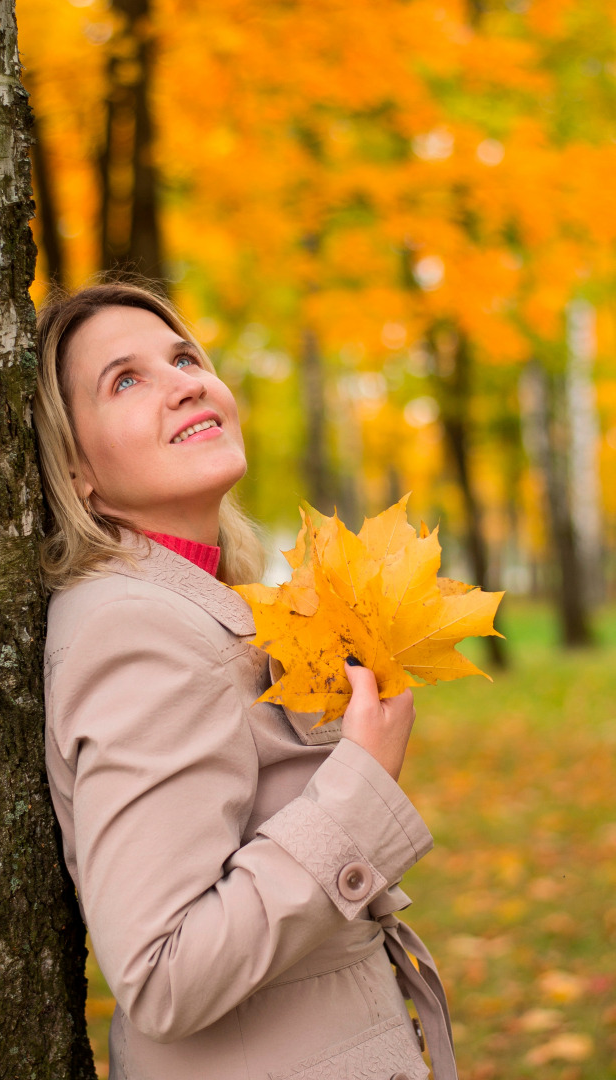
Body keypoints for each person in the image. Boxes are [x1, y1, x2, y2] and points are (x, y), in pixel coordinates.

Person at [34, 280, 458, 1080]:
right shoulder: (136, 630)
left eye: (184, 356)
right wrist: (361, 783)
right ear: (77, 469)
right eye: (125, 380)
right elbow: (164, 976)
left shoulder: (206, 605)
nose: (185, 381)